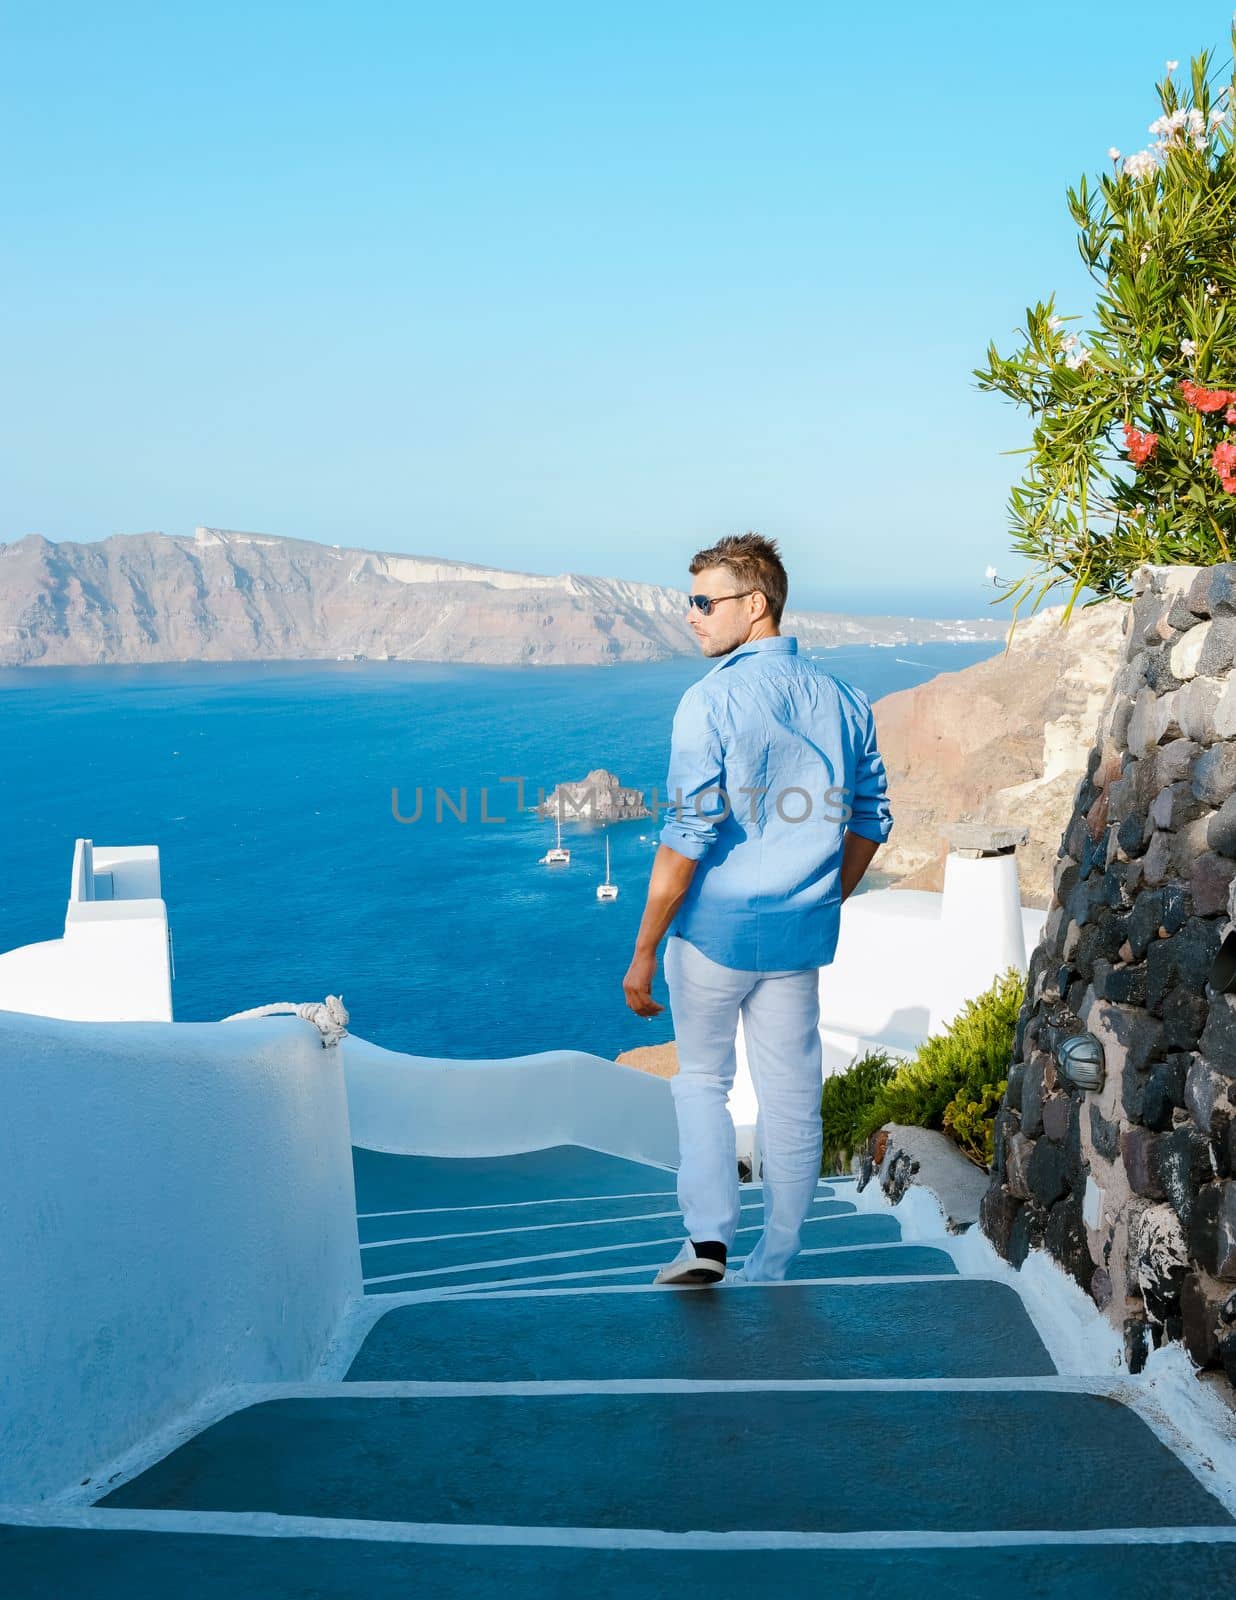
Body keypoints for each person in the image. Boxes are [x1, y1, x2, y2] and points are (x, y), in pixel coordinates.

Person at [622, 533, 893, 1286]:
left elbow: (686, 837)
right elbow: (873, 819)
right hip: (797, 940)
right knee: (791, 1098)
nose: (691, 616)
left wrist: (644, 950)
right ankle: (777, 1259)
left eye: (706, 602)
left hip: (714, 938)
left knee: (703, 1082)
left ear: (756, 604)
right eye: (690, 602)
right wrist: (822, 895)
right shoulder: (845, 699)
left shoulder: (709, 701)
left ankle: (707, 1244)